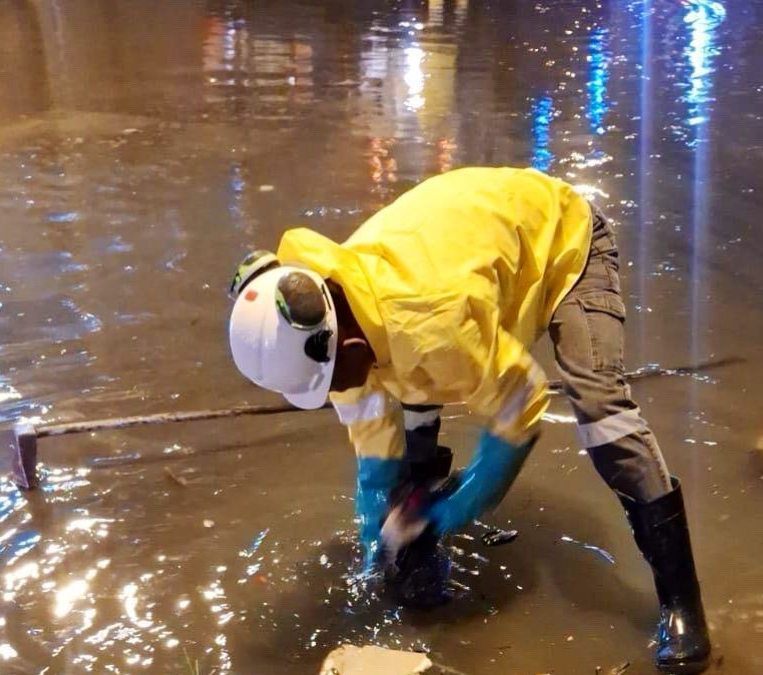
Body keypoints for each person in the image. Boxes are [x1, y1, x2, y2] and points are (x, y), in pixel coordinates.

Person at [227, 167, 711, 673]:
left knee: (601, 412)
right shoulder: (331, 309)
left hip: (564, 241)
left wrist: (460, 506)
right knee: (407, 391)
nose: (333, 395)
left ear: (345, 345)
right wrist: (377, 531)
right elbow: (372, 428)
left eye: (329, 385)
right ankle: (419, 551)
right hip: (466, 271)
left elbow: (521, 402)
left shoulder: (431, 324)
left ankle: (682, 602)